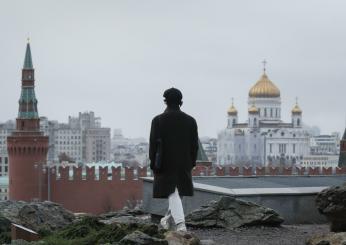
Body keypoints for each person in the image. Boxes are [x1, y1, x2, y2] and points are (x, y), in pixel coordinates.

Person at [149, 87, 199, 232]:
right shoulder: (191, 121)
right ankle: (167, 220)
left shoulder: (157, 120)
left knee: (173, 192)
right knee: (177, 192)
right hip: (184, 162)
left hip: (165, 162)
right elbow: (194, 146)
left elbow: (153, 145)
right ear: (180, 102)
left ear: (165, 102)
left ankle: (181, 225)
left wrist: (153, 163)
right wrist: (191, 163)